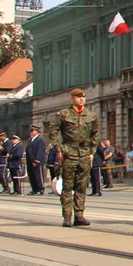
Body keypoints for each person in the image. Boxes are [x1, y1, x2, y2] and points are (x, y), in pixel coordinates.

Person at [48, 87, 99, 227]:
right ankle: (67, 216)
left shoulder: (91, 115)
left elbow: (95, 134)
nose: (81, 99)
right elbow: (53, 132)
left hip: (84, 153)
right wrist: (58, 150)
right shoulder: (63, 114)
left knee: (81, 186)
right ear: (72, 98)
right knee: (67, 186)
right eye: (78, 97)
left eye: (83, 96)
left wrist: (92, 152)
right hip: (69, 152)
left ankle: (79, 215)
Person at [25, 125, 46, 195]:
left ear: (36, 131)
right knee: (32, 176)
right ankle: (34, 189)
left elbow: (40, 151)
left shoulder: (39, 140)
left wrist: (36, 160)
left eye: (32, 131)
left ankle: (40, 189)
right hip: (30, 161)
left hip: (36, 161)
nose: (30, 132)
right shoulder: (31, 140)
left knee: (38, 176)